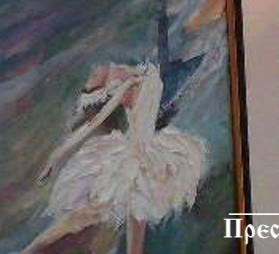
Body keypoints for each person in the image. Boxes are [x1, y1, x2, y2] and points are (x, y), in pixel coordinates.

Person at [20, 62, 207, 254]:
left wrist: (56, 155)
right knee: (89, 216)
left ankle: (29, 250)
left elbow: (95, 121)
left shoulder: (135, 83)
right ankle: (29, 250)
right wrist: (56, 154)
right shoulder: (142, 80)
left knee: (133, 212)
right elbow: (96, 121)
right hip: (141, 156)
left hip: (142, 156)